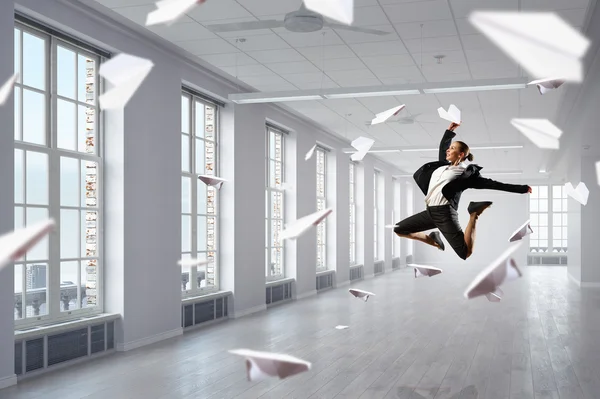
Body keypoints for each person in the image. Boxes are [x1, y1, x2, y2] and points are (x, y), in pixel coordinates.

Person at [394, 122, 532, 260]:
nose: (448, 150)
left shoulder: (465, 174)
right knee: (399, 229)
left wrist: (522, 189)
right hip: (429, 211)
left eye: (452, 148)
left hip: (444, 214)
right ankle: (434, 240)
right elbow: (443, 148)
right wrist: (449, 132)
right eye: (450, 147)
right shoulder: (443, 166)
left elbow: (494, 184)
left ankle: (474, 213)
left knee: (465, 253)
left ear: (460, 154)